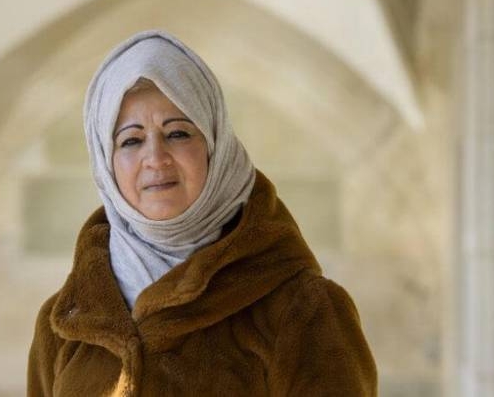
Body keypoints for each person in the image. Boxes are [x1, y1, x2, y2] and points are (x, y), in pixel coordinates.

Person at [27, 30, 377, 396]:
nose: (155, 158)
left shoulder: (302, 308)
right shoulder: (62, 326)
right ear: (106, 162)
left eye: (178, 133)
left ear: (216, 145)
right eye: (131, 140)